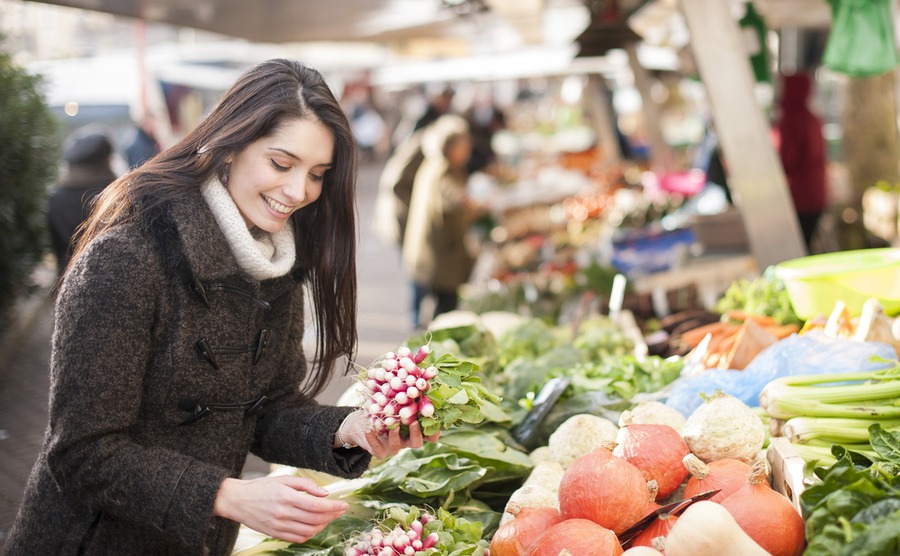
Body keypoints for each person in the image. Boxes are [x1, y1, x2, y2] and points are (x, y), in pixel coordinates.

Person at [6, 59, 436, 556]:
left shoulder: (274, 263)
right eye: (281, 163)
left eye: (317, 174)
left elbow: (268, 408)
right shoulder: (125, 259)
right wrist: (225, 494)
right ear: (229, 146)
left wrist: (347, 429)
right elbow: (82, 453)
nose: (299, 192)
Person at [402, 114, 480, 329]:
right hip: (440, 255)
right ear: (451, 147)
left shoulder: (433, 164)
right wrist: (480, 205)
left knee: (434, 305)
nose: (468, 149)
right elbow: (456, 200)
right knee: (444, 312)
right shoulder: (443, 170)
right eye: (464, 145)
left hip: (431, 251)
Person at [47, 126, 117, 279]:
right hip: (115, 277)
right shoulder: (112, 192)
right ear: (105, 161)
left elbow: (59, 248)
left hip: (73, 279)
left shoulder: (57, 197)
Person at [776, 71, 827, 252]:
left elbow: (788, 159)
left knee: (798, 249)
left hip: (800, 197)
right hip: (816, 194)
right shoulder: (813, 118)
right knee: (806, 244)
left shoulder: (791, 119)